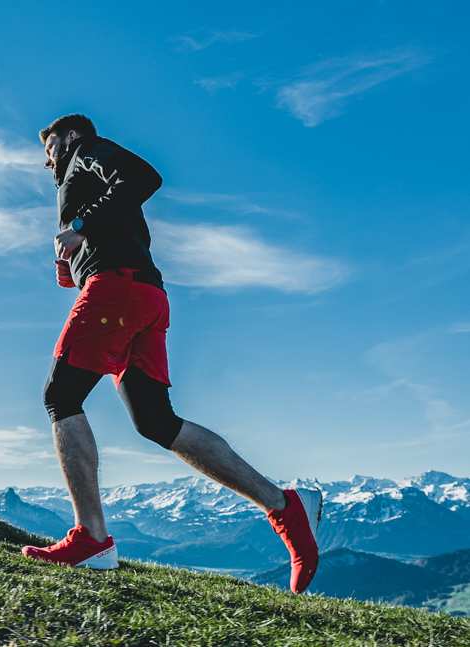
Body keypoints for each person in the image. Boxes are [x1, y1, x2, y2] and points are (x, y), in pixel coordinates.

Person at [20, 114, 322, 594]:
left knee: (62, 395)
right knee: (156, 421)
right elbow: (116, 210)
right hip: (143, 294)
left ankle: (91, 538)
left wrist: (78, 226)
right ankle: (284, 506)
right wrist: (74, 256)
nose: (47, 160)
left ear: (71, 136)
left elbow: (143, 177)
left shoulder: (86, 152)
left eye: (51, 146)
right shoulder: (83, 176)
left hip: (116, 287)